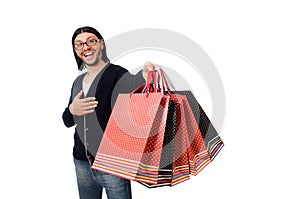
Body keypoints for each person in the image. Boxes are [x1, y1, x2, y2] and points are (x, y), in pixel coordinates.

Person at [62, 26, 155, 199]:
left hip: (111, 163)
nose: (86, 47)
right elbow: (67, 121)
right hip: (81, 161)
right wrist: (72, 110)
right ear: (75, 50)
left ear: (101, 44)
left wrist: (144, 75)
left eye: (91, 41)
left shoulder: (117, 74)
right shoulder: (78, 82)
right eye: (79, 44)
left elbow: (133, 87)